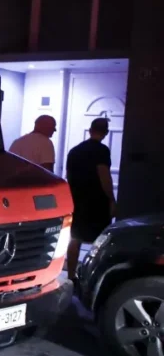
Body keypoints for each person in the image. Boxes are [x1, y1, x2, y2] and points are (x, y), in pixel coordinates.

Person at [66, 117, 117, 274]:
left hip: (76, 199)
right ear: (106, 132)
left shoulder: (74, 151)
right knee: (99, 241)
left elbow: (68, 175)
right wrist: (111, 199)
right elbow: (104, 176)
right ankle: (91, 274)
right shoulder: (102, 151)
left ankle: (71, 273)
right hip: (96, 201)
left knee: (74, 238)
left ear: (90, 130)